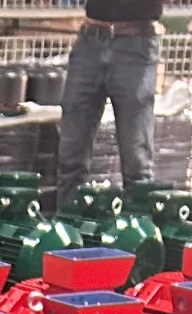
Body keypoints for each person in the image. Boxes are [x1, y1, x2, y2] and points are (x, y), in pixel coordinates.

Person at [55, 0, 162, 207]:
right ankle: (68, 221)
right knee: (70, 158)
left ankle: (138, 224)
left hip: (136, 43)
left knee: (136, 162)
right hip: (89, 41)